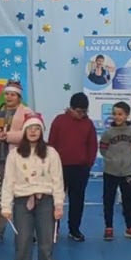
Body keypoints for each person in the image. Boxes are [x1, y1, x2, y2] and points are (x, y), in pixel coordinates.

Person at [0, 113, 65, 260]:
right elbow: (8, 181)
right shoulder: (15, 155)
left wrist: (58, 204)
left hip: (46, 201)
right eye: (30, 128)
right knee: (22, 243)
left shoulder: (51, 153)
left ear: (42, 131)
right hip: (22, 202)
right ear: (25, 131)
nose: (33, 131)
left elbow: (57, 180)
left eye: (37, 128)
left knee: (46, 243)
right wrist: (6, 206)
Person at [0, 80, 34, 243]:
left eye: (12, 94)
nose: (9, 97)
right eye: (7, 94)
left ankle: (27, 231)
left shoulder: (27, 112)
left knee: (23, 195)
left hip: (19, 159)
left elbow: (31, 132)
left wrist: (9, 136)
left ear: (19, 96)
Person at [48, 92, 97, 241]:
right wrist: (51, 164)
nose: (82, 115)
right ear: (71, 108)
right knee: (56, 199)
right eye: (79, 111)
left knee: (77, 200)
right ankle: (53, 228)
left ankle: (74, 229)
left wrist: (88, 164)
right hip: (59, 168)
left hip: (80, 169)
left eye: (84, 112)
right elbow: (51, 143)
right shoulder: (59, 121)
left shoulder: (88, 124)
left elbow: (92, 145)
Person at [99, 101, 131, 241]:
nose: (117, 117)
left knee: (128, 201)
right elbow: (103, 149)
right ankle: (109, 227)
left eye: (120, 114)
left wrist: (129, 159)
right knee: (108, 200)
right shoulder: (108, 133)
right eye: (114, 114)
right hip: (110, 172)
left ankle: (130, 228)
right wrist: (111, 160)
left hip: (127, 172)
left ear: (127, 115)